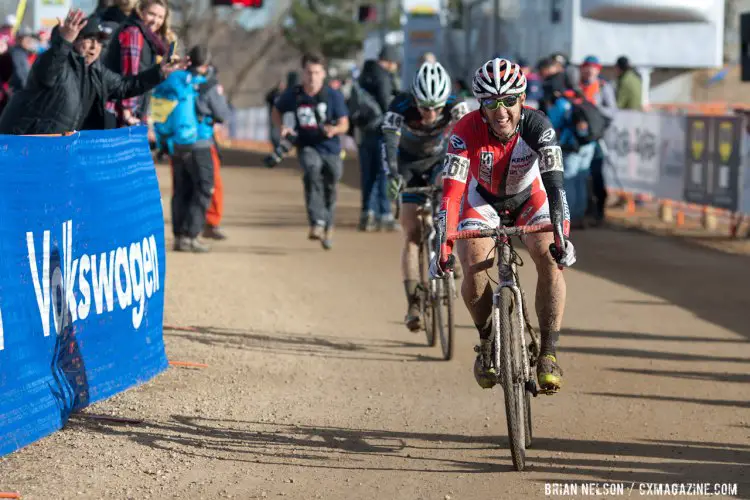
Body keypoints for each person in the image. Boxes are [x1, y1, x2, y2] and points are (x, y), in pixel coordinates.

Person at [430, 58, 576, 393]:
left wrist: (561, 236)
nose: (501, 112)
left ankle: (549, 354)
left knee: (550, 259)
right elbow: (451, 194)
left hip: (530, 198)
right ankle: (486, 341)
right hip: (482, 200)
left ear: (522, 98)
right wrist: (444, 245)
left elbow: (555, 187)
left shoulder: (540, 126)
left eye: (509, 101)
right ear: (479, 104)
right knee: (475, 265)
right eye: (491, 103)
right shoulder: (464, 130)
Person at [382, 60, 469, 332]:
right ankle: (414, 303)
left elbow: (471, 137)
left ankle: (448, 247)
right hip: (407, 164)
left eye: (435, 108)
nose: (430, 114)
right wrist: (394, 175)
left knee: (452, 199)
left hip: (439, 162)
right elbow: (389, 144)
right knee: (412, 234)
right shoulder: (399, 105)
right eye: (424, 107)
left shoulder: (457, 104)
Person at [0, 10, 183, 135]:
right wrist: (63, 41)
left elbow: (125, 86)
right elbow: (46, 73)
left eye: (99, 40)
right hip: (25, 142)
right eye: (88, 39)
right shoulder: (57, 61)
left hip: (57, 148)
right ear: (73, 40)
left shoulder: (95, 71)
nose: (95, 46)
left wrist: (159, 72)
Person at [152, 45, 230, 252]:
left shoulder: (174, 80)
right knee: (204, 188)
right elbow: (222, 114)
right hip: (200, 145)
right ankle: (191, 235)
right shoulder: (207, 84)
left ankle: (179, 236)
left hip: (175, 143)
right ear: (207, 63)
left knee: (181, 189)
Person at [271, 52, 350, 250]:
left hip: (331, 148)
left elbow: (344, 124)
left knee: (331, 184)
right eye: (308, 73)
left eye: (316, 72)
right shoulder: (294, 94)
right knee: (312, 172)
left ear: (323, 74)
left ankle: (328, 224)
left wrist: (335, 130)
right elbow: (276, 110)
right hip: (307, 145)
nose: (312, 77)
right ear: (303, 73)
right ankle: (317, 222)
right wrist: (282, 128)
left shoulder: (334, 96)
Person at [538, 57, 596, 230]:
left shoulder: (560, 103)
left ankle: (569, 219)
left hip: (572, 146)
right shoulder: (579, 97)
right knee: (580, 180)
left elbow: (553, 126)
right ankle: (580, 215)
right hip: (588, 144)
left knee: (569, 182)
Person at [104, 0, 174, 128]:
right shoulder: (134, 33)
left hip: (136, 109)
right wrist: (128, 112)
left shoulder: (149, 38)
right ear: (140, 12)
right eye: (151, 14)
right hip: (121, 112)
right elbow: (130, 74)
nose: (156, 20)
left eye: (160, 17)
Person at [357, 45, 400, 232]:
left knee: (368, 175)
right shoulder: (383, 76)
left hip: (365, 132)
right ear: (389, 61)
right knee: (383, 174)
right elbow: (386, 105)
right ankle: (385, 215)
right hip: (381, 132)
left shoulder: (364, 75)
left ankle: (368, 213)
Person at [579, 55, 617, 225]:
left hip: (598, 139)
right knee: (579, 177)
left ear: (598, 69)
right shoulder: (577, 85)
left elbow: (612, 112)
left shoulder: (603, 87)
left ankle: (600, 211)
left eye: (593, 67)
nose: (589, 70)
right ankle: (584, 210)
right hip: (578, 138)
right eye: (586, 66)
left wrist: (593, 106)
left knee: (596, 175)